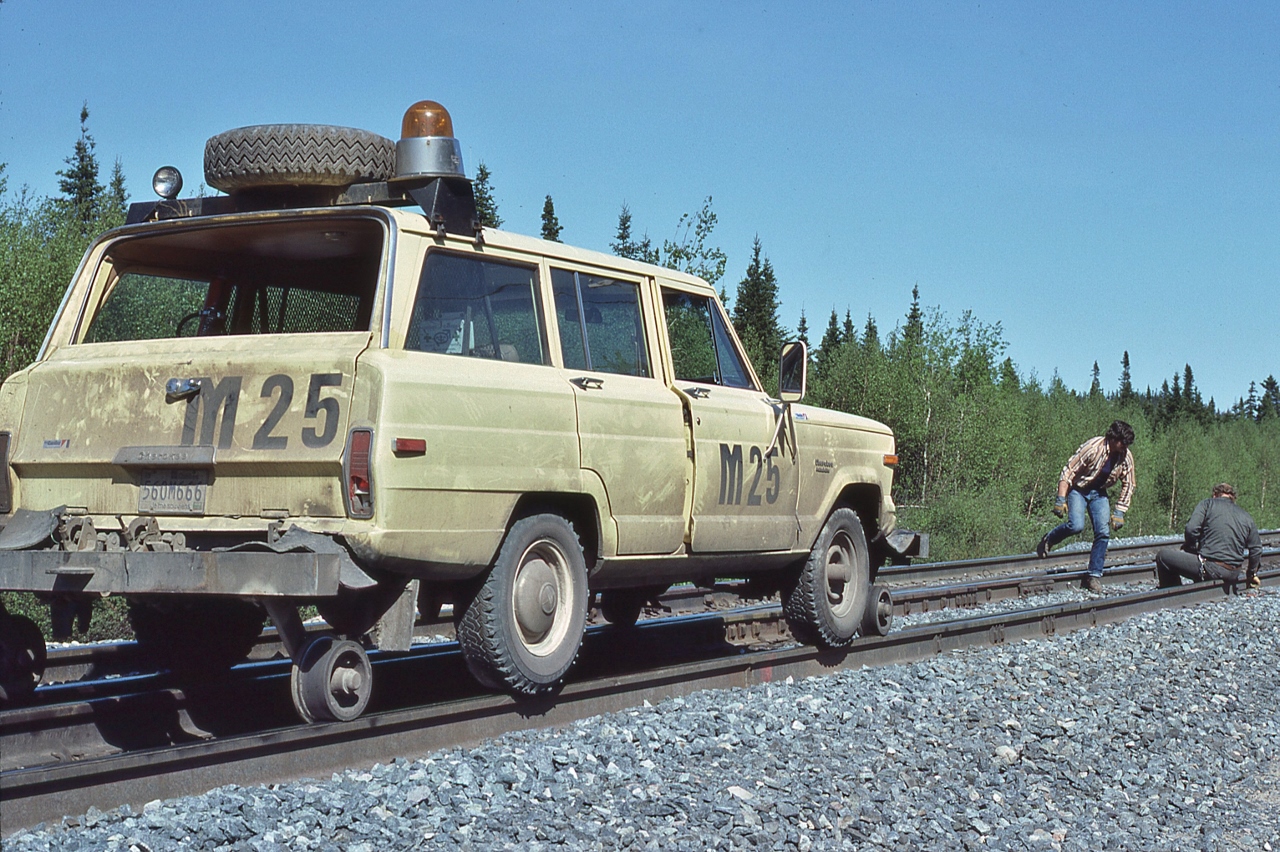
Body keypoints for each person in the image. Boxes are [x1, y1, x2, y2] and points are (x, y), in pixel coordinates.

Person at [1036, 420, 1137, 593]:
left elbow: (1129, 484)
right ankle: (1050, 539)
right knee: (1076, 526)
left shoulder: (1125, 456)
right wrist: (1061, 499)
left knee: (1103, 533)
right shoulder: (1092, 448)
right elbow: (1069, 470)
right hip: (1079, 490)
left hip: (1099, 493)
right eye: (1123, 442)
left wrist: (1120, 510)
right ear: (1113, 439)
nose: (1125, 447)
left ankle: (1094, 576)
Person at [1155, 483, 1262, 589]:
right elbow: (1256, 549)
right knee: (1203, 557)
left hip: (1211, 569)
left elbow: (1191, 529)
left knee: (1163, 556)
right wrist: (1251, 574)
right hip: (1234, 573)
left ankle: (1173, 595)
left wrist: (1191, 548)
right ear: (1233, 498)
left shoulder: (1207, 504)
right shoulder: (1245, 516)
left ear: (1215, 494)